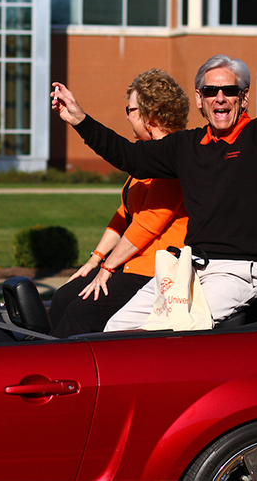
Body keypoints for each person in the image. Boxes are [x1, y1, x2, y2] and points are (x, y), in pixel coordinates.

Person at [52, 39, 257, 324]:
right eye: (211, 91)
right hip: (191, 267)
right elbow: (129, 156)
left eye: (229, 91)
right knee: (118, 327)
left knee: (175, 325)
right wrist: (80, 120)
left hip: (242, 270)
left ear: (243, 99)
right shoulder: (187, 146)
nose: (219, 97)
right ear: (199, 98)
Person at [48, 69, 189, 337]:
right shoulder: (145, 158)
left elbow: (147, 225)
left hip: (153, 271)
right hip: (129, 263)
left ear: (150, 115)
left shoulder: (174, 160)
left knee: (82, 312)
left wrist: (107, 268)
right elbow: (124, 215)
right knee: (64, 296)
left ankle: (59, 372)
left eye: (130, 109)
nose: (127, 115)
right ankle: (37, 359)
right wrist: (95, 261)